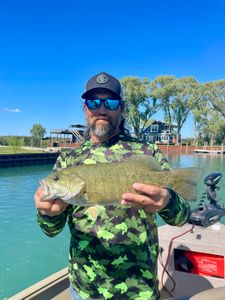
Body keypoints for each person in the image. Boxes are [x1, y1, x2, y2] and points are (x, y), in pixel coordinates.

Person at [34, 72, 190, 300]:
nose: (101, 109)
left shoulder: (148, 152)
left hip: (140, 289)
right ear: (85, 108)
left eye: (111, 102)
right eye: (93, 102)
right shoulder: (67, 161)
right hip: (84, 289)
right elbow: (50, 231)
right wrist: (46, 214)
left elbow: (181, 218)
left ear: (122, 108)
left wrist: (168, 201)